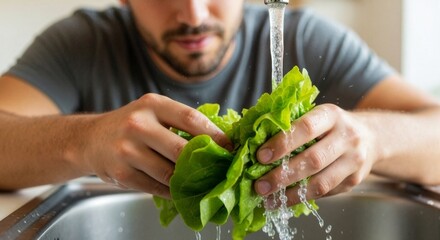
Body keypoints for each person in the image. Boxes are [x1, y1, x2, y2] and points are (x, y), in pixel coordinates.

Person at [0, 0, 439, 207]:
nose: (193, 14)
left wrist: (373, 137)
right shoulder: (82, 44)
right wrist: (86, 140)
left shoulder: (305, 38)